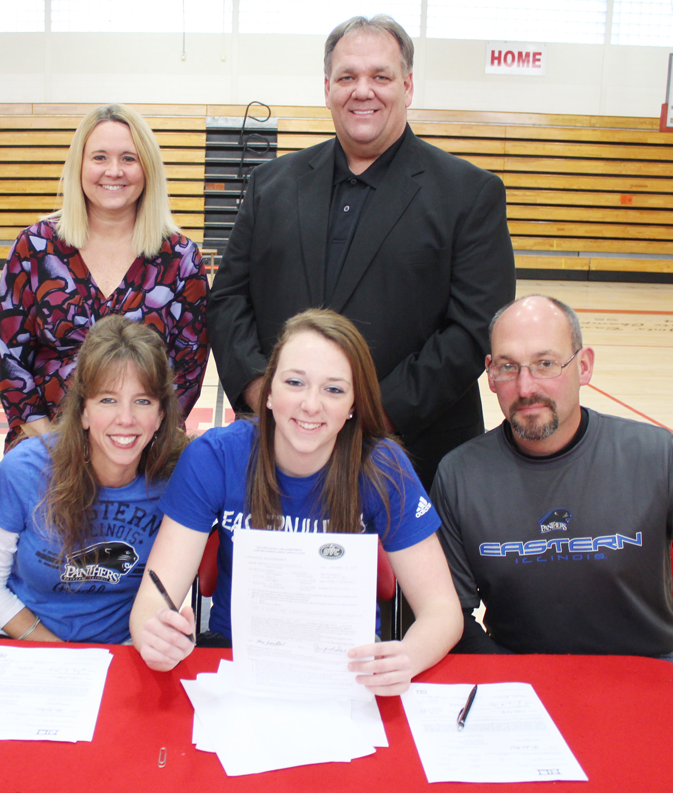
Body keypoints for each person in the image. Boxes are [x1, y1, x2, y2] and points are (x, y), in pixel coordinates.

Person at [207, 14, 515, 489]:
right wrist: (263, 393)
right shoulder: (272, 184)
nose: (362, 90)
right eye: (348, 77)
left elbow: (474, 331)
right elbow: (228, 300)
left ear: (407, 86)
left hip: (409, 457)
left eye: (380, 76)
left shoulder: (469, 194)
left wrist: (369, 415)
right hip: (277, 450)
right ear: (327, 86)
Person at [130, 309, 462, 695]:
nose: (310, 405)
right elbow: (153, 599)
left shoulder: (383, 468)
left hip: (349, 673)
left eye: (334, 389)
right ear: (268, 392)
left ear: (354, 403)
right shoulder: (214, 457)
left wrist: (409, 656)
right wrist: (155, 636)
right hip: (234, 665)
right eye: (294, 382)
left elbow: (443, 611)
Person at [433, 295, 673, 656]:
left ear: (585, 366)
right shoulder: (459, 475)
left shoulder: (657, 454)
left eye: (546, 363)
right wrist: (515, 683)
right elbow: (451, 615)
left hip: (651, 674)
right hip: (520, 687)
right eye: (508, 366)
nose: (527, 387)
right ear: (491, 375)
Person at [0, 103, 208, 448]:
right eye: (99, 158)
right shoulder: (34, 247)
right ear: (79, 165)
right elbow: (9, 358)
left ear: (147, 168)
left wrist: (130, 444)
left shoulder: (181, 259)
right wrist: (57, 446)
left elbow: (187, 373)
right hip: (46, 447)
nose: (114, 171)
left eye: (128, 158)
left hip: (141, 450)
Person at [0, 315, 187, 643]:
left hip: (123, 647)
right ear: (83, 411)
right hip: (17, 636)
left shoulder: (178, 479)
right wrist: (57, 653)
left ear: (160, 415)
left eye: (142, 401)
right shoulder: (24, 471)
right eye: (107, 400)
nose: (126, 419)